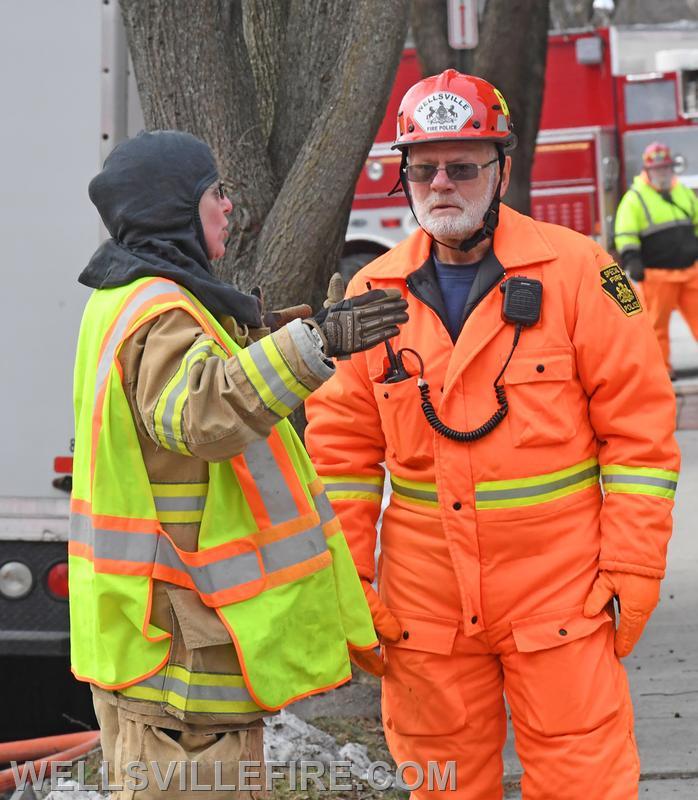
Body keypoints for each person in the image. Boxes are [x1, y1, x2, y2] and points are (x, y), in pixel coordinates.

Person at [304, 71, 681, 799]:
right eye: (424, 168)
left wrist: (632, 567)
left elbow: (640, 436)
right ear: (405, 179)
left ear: (500, 169)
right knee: (441, 784)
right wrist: (350, 579)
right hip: (425, 609)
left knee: (583, 784)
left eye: (463, 165)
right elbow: (342, 457)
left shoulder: (581, 275)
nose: (442, 183)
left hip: (560, 597)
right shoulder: (371, 296)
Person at [70, 129, 408, 798]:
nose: (228, 206)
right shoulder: (160, 311)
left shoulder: (127, 296)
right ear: (176, 210)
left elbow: (204, 374)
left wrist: (288, 332)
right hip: (179, 673)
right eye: (213, 193)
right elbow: (194, 413)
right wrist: (313, 346)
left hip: (159, 655)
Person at [615, 141, 698, 375]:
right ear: (648, 171)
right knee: (656, 327)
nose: (663, 172)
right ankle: (662, 372)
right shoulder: (635, 199)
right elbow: (625, 233)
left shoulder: (682, 192)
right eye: (658, 169)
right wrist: (632, 259)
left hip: (691, 271)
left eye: (666, 168)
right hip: (657, 275)